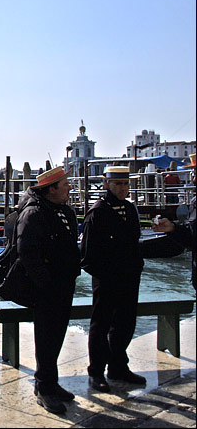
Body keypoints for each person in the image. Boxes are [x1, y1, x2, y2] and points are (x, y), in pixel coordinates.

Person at [15, 166, 80, 414]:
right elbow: (27, 253)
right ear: (51, 189)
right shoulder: (34, 213)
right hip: (47, 289)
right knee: (46, 338)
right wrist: (46, 284)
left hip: (63, 286)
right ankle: (43, 387)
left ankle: (50, 382)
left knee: (57, 336)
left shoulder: (64, 211)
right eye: (65, 186)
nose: (69, 189)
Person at [81, 166, 145, 393]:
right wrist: (105, 274)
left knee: (125, 323)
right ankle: (96, 371)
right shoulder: (98, 212)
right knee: (101, 325)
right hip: (107, 279)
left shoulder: (129, 208)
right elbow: (88, 254)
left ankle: (118, 366)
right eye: (118, 184)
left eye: (126, 184)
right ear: (107, 184)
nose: (123, 188)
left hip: (129, 277)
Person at [153, 153, 197, 291]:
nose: (194, 179)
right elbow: (192, 238)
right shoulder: (195, 203)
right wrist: (173, 228)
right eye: (193, 173)